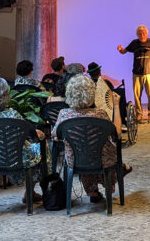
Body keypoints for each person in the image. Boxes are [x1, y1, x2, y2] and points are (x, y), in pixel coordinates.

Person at [53, 74, 131, 203]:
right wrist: (116, 106)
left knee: (83, 151)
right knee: (98, 151)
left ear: (69, 93)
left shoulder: (64, 114)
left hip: (75, 159)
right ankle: (110, 181)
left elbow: (55, 134)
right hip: (102, 159)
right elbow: (117, 134)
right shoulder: (100, 114)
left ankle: (92, 191)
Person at [0, 76, 46, 202]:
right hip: (19, 158)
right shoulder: (12, 114)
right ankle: (30, 192)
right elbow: (30, 135)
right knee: (42, 148)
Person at [117, 25, 150, 120]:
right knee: (137, 95)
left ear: (147, 34)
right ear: (137, 34)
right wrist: (120, 49)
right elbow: (124, 51)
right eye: (140, 33)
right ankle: (139, 113)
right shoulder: (134, 43)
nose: (142, 35)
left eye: (144, 33)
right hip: (137, 74)